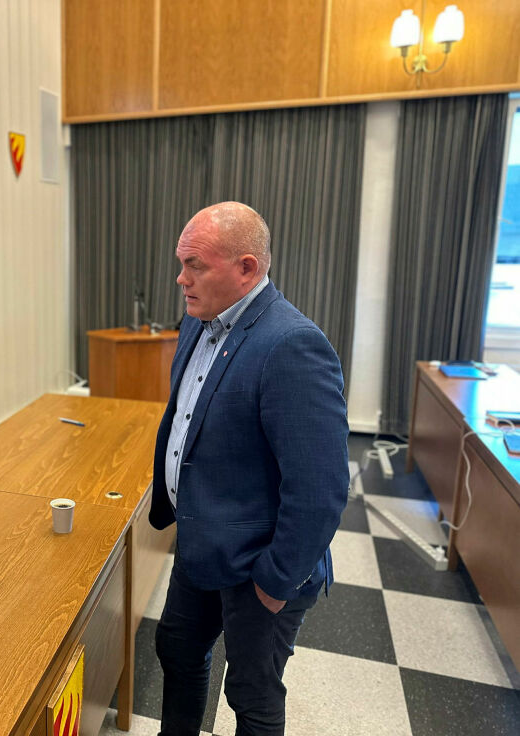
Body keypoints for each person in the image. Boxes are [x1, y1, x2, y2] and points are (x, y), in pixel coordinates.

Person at [150, 202, 349, 735]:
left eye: (195, 264)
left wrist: (275, 583)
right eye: (180, 262)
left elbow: (321, 488)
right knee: (177, 650)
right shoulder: (199, 322)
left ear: (246, 268)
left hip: (259, 563)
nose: (181, 278)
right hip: (201, 541)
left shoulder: (292, 345)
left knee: (252, 695)